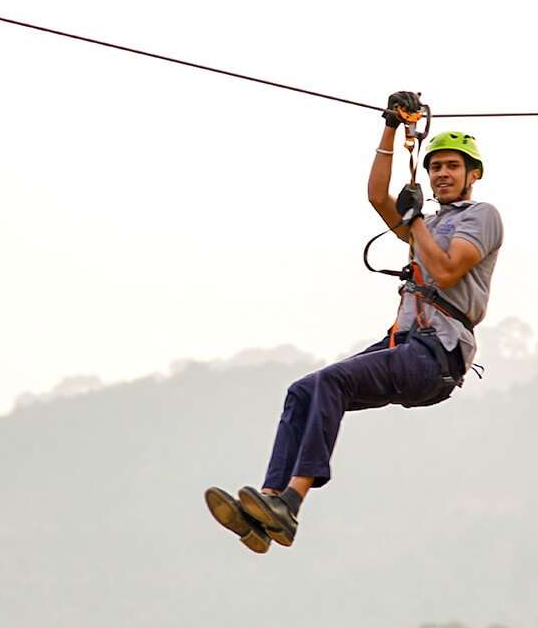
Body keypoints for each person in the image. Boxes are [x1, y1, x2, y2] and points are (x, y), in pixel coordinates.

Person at [205, 91, 505, 553]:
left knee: (333, 382)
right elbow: (377, 196)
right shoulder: (426, 222)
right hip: (405, 344)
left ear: (473, 174)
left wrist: (414, 222)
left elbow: (447, 271)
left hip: (437, 355)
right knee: (304, 390)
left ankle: (292, 502)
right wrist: (390, 127)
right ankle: (267, 505)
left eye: (452, 166)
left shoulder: (481, 216)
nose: (442, 174)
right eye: (435, 167)